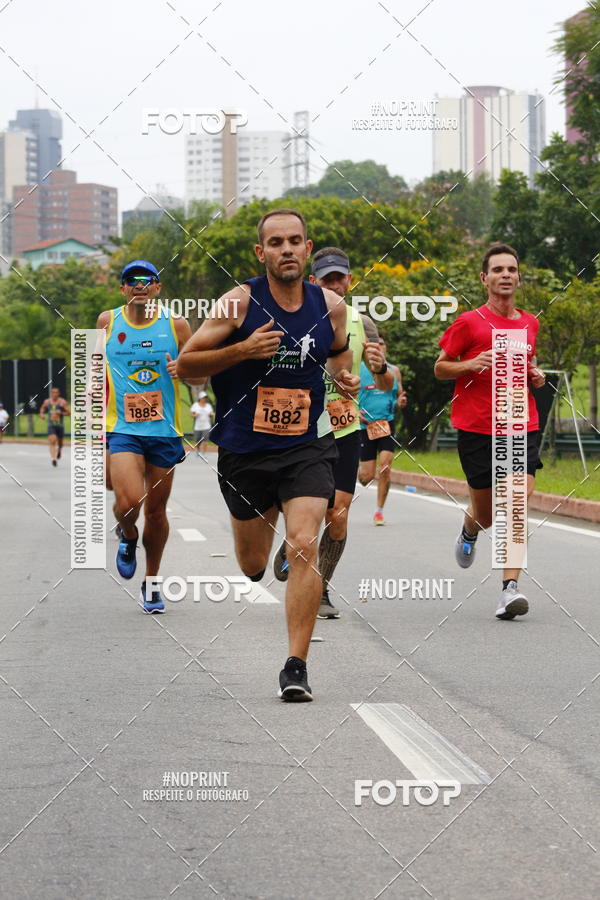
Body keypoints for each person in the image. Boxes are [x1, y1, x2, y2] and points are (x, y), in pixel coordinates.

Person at [177, 209, 359, 701]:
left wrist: (343, 376)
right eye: (275, 242)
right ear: (262, 253)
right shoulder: (238, 304)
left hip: (307, 444)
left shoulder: (331, 305)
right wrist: (242, 351)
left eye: (294, 241)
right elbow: (187, 366)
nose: (286, 249)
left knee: (303, 542)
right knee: (252, 564)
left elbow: (339, 349)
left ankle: (295, 665)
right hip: (244, 450)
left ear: (306, 247)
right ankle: (258, 557)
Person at [272, 246, 393, 620]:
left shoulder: (363, 324)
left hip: (343, 426)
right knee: (305, 505)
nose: (335, 284)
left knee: (338, 514)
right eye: (327, 279)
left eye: (340, 278)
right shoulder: (293, 318)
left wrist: (381, 366)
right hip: (299, 425)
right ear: (313, 282)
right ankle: (297, 540)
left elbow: (386, 384)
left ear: (350, 280)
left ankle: (321, 588)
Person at [434, 242, 545, 620]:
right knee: (485, 512)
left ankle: (508, 590)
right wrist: (470, 364)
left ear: (518, 277)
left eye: (511, 269)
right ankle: (469, 528)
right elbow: (440, 367)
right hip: (478, 428)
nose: (505, 275)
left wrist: (536, 375)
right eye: (497, 270)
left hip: (520, 421)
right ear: (485, 278)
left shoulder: (530, 323)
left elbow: (528, 365)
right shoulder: (470, 322)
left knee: (516, 500)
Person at [97, 259, 202, 613]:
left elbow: (199, 376)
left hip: (164, 431)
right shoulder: (107, 322)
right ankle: (127, 536)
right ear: (123, 288)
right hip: (122, 428)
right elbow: (95, 380)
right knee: (128, 503)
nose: (140, 285)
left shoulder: (177, 324)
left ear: (158, 287)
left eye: (148, 280)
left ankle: (152, 582)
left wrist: (185, 369)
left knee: (156, 512)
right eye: (132, 280)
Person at [357, 335, 407, 525]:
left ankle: (379, 511)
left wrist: (400, 402)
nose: (379, 347)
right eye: (374, 344)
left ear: (385, 348)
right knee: (366, 477)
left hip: (386, 423)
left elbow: (398, 396)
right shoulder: (359, 369)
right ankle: (360, 472)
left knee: (385, 467)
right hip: (365, 426)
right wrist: (354, 411)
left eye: (382, 344)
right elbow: (347, 393)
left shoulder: (394, 371)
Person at [40, 386, 70, 466]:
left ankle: (59, 449)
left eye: (56, 392)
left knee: (60, 443)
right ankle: (53, 458)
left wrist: (61, 413)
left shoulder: (62, 402)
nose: (54, 394)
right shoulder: (47, 402)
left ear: (59, 393)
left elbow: (68, 413)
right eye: (53, 392)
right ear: (51, 393)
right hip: (51, 425)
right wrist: (42, 414)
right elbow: (42, 409)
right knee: (52, 441)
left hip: (60, 425)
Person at [190, 391, 214, 457]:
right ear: (200, 398)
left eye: (205, 398)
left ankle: (204, 453)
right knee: (198, 440)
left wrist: (212, 414)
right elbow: (191, 414)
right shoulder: (195, 405)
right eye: (203, 397)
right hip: (198, 426)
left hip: (206, 426)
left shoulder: (208, 406)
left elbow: (211, 413)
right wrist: (195, 415)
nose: (205, 399)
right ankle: (198, 450)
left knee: (205, 440)